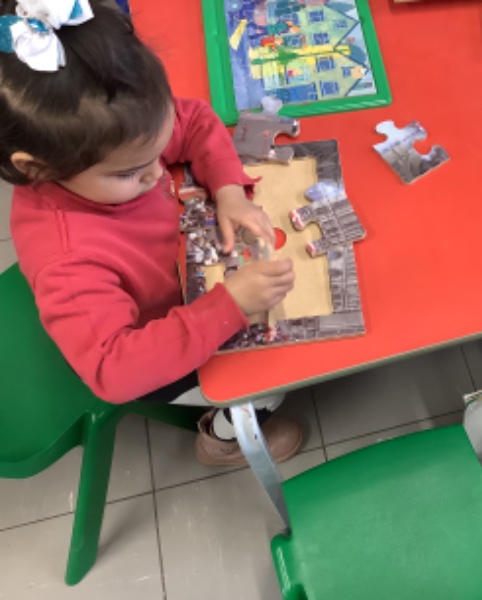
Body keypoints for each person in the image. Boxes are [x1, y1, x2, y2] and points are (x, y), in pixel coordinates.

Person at [0, 0, 303, 465]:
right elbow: (113, 370)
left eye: (158, 150)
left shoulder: (121, 134)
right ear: (39, 168)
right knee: (273, 380)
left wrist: (228, 191)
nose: (157, 172)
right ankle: (221, 440)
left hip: (178, 281)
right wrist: (229, 307)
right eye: (131, 173)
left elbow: (194, 120)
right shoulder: (68, 259)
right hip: (150, 350)